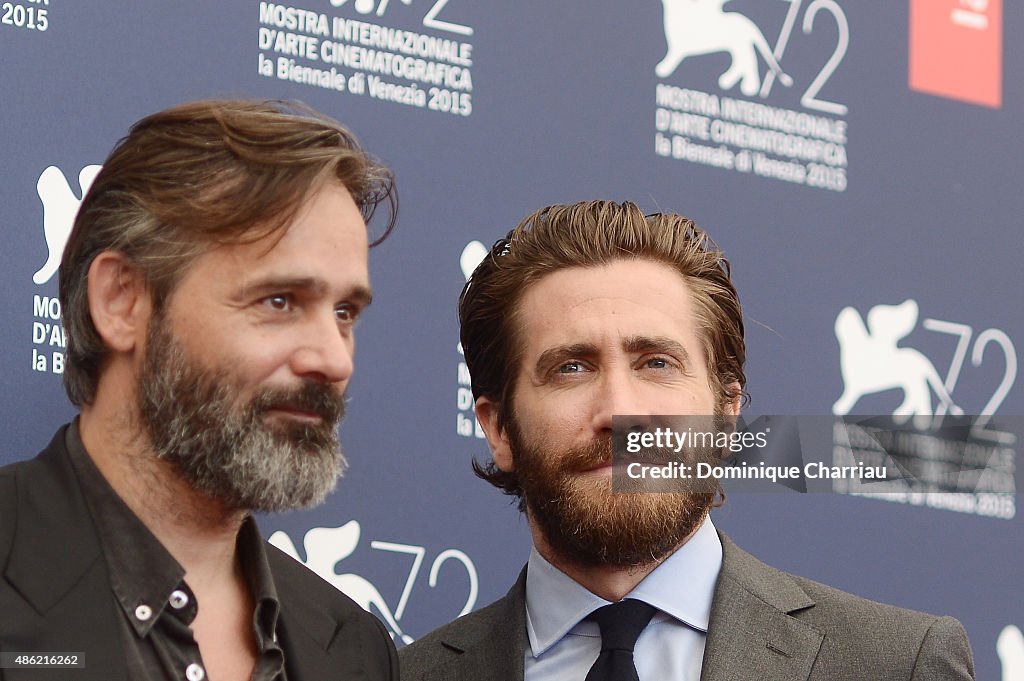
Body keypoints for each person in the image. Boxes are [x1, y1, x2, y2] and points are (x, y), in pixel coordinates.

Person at [399, 200, 975, 680]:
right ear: (498, 427)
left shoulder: (896, 664)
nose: (620, 411)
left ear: (726, 413)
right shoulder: (404, 675)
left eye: (655, 363)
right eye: (571, 368)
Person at [0, 100, 398, 681]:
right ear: (122, 301)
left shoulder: (356, 649)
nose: (334, 360)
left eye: (344, 312)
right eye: (279, 301)